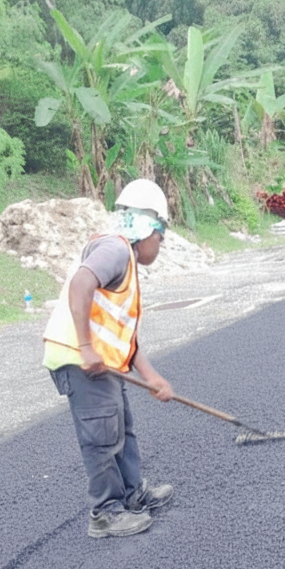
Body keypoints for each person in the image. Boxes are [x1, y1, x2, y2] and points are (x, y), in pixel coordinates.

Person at [43, 178, 176, 538]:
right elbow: (80, 283)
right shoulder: (115, 250)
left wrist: (152, 378)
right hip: (79, 358)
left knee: (121, 427)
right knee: (102, 436)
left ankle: (133, 494)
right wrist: (86, 347)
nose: (160, 245)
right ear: (147, 229)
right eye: (161, 237)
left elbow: (124, 339)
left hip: (101, 362)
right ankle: (105, 512)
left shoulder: (126, 265)